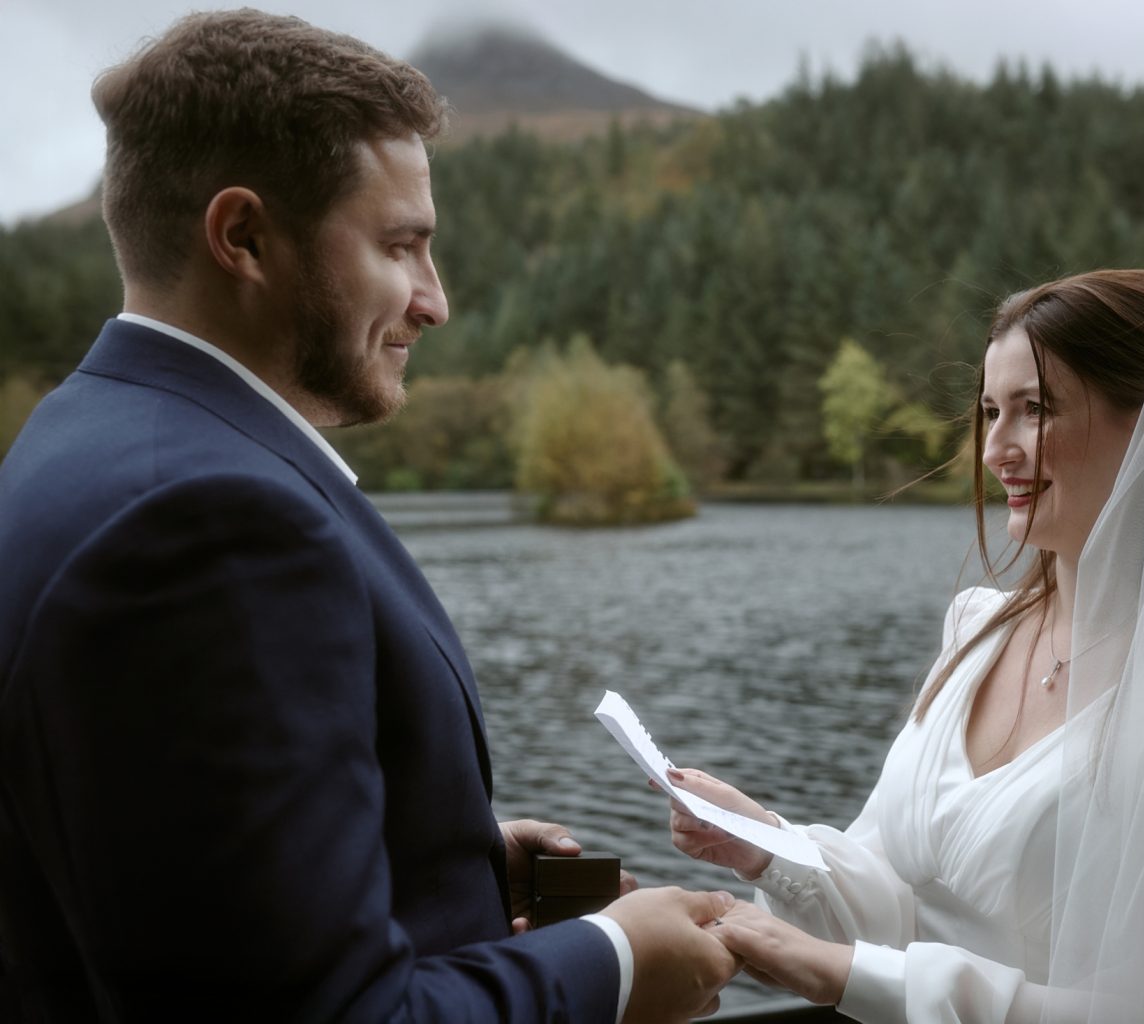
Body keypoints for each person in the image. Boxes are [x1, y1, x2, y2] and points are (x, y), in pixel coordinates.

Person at [0, 10, 737, 1022]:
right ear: (244, 237)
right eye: (400, 246)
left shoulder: (76, 436)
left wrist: (442, 860)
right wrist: (612, 963)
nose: (434, 301)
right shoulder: (214, 524)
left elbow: (159, 882)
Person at [662, 269, 1144, 1022]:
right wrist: (763, 843)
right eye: (991, 411)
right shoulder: (975, 630)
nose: (996, 449)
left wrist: (843, 976)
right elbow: (901, 905)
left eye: (1036, 409)